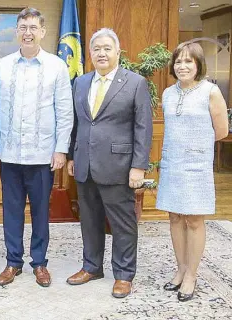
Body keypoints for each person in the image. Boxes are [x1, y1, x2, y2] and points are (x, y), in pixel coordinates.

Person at [0, 8, 73, 287]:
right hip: (9, 154)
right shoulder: (3, 66)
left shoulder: (57, 66)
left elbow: (64, 111)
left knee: (39, 212)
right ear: (17, 32)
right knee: (11, 210)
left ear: (42, 32)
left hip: (43, 155)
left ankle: (40, 262)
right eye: (23, 27)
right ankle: (13, 262)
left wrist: (61, 149)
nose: (28, 32)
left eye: (33, 27)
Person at [66, 28, 153, 298]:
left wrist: (139, 166)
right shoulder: (81, 82)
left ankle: (124, 275)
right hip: (84, 163)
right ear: (90, 53)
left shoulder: (135, 82)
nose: (101, 53)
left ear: (117, 51)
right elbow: (76, 123)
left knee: (122, 223)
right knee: (89, 220)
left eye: (107, 48)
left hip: (119, 166)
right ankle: (92, 267)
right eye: (97, 49)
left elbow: (143, 127)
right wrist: (71, 155)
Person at [156, 42, 228, 302]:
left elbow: (221, 131)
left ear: (198, 65)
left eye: (188, 61)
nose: (182, 66)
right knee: (174, 217)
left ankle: (192, 275)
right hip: (172, 163)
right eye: (178, 61)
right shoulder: (167, 93)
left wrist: (196, 149)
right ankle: (180, 269)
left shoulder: (210, 91)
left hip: (196, 166)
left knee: (194, 220)